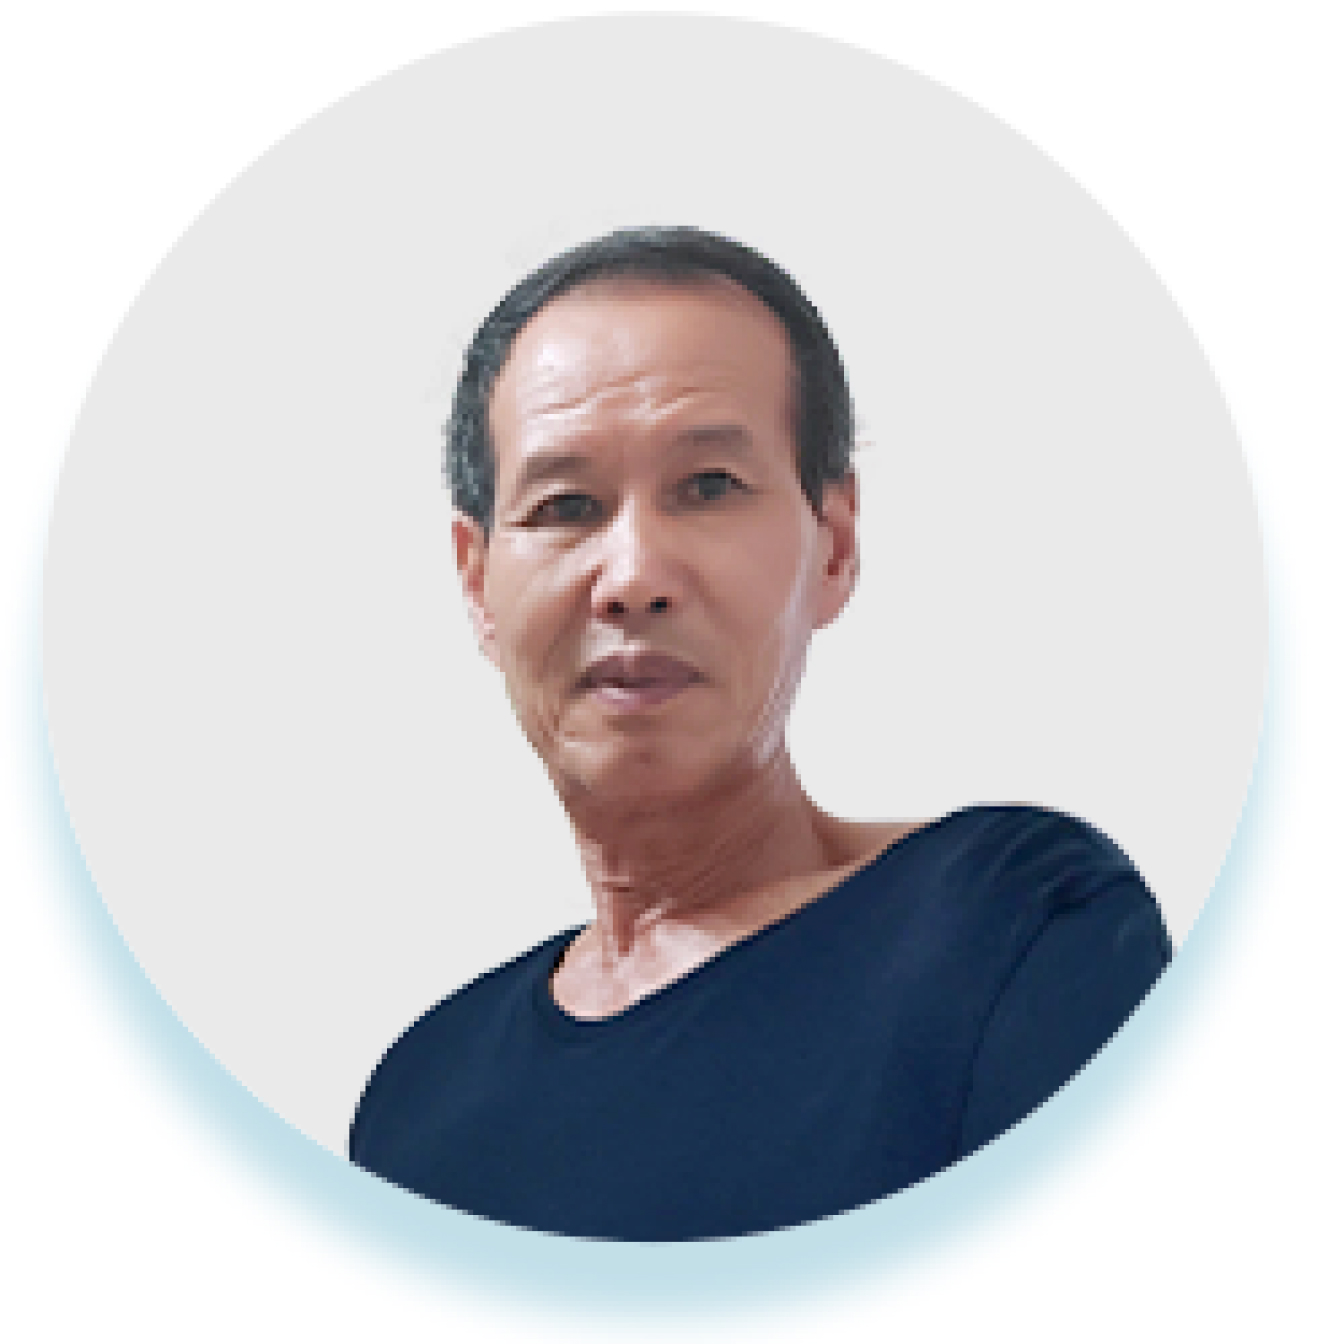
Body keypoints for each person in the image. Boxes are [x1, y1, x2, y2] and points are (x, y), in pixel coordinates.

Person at [349, 226, 1171, 1240]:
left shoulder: (1011, 926)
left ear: (835, 545)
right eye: (566, 505)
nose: (634, 577)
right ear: (477, 583)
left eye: (708, 487)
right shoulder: (418, 1105)